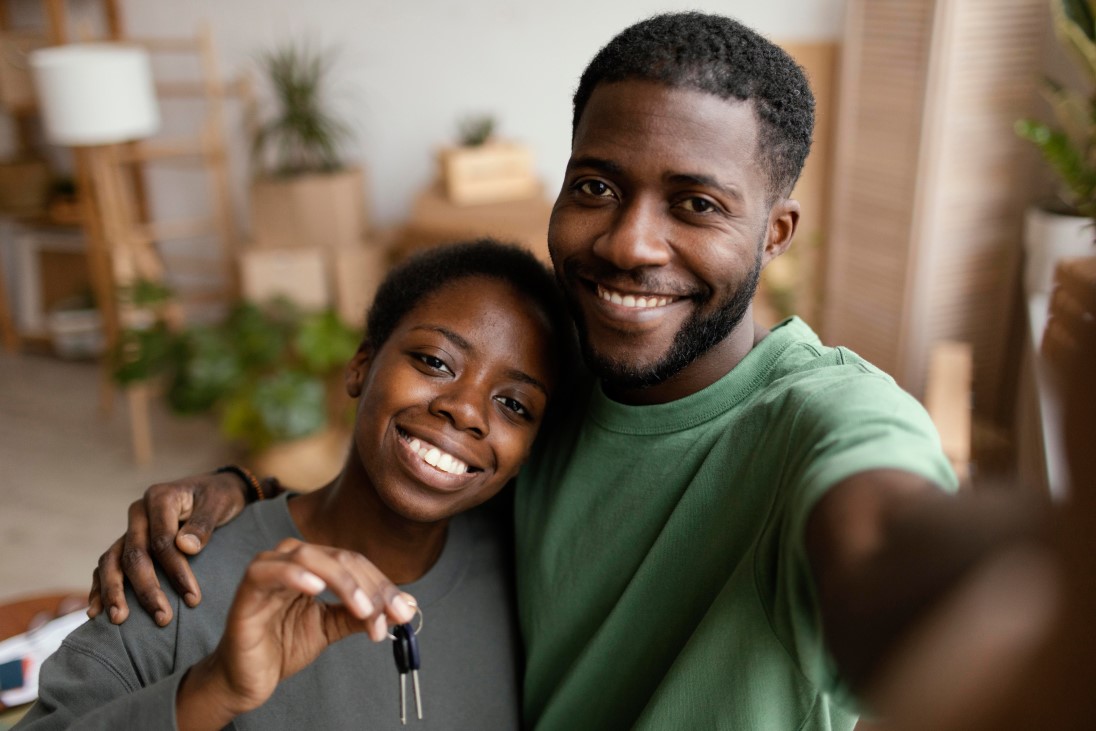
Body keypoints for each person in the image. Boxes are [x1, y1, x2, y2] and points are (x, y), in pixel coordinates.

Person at [83, 12, 1046, 730]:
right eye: (597, 186)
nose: (630, 243)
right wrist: (239, 495)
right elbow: (432, 453)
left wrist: (1025, 593)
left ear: (776, 231)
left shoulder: (832, 417)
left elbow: (878, 537)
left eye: (696, 203)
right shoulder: (565, 383)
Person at [18, 239, 573, 729]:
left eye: (514, 405)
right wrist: (212, 692)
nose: (466, 411)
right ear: (360, 364)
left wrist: (245, 481)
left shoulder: (530, 567)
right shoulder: (177, 583)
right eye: (434, 360)